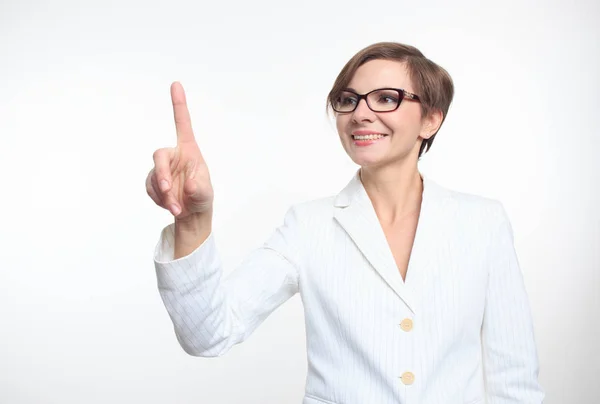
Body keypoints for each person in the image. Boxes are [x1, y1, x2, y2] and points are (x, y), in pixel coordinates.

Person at [146, 42, 544, 404]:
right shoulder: (307, 227)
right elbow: (209, 334)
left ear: (430, 120)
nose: (361, 113)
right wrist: (193, 223)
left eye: (387, 98)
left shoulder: (483, 223)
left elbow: (515, 381)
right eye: (348, 100)